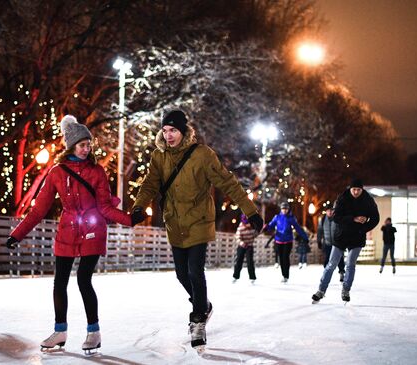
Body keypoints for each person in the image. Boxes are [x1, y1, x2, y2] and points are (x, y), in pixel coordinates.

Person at [6, 115, 140, 355]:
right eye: (82, 145)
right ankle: (60, 331)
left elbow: (106, 208)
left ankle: (93, 331)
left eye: (89, 144)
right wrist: (17, 235)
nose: (87, 149)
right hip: (67, 230)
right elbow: (39, 209)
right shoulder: (57, 172)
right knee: (60, 281)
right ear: (71, 146)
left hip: (93, 230)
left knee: (83, 279)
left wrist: (130, 220)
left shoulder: (97, 171)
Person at [131, 109, 263, 349]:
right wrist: (139, 206)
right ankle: (204, 306)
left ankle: (198, 320)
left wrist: (250, 210)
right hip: (175, 222)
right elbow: (150, 183)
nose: (169, 135)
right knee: (181, 274)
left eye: (174, 130)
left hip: (199, 221)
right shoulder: (159, 157)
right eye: (165, 130)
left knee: (194, 271)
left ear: (184, 131)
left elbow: (227, 181)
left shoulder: (202, 155)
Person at [312, 179, 379, 303]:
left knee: (350, 264)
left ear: (362, 189)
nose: (356, 192)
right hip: (341, 236)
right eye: (354, 189)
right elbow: (336, 217)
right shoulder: (342, 198)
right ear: (350, 189)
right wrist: (353, 219)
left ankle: (346, 290)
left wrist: (364, 228)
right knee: (331, 264)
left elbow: (376, 218)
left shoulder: (368, 200)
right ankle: (321, 290)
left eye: (359, 189)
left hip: (357, 236)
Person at [265, 202, 308, 282]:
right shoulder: (277, 217)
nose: (284, 210)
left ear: (288, 209)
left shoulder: (291, 218)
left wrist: (304, 236)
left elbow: (298, 228)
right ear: (281, 209)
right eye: (283, 209)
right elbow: (271, 225)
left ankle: (286, 275)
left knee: (285, 257)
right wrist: (266, 227)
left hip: (288, 241)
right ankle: (283, 275)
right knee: (281, 259)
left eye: (286, 209)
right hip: (279, 240)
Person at [317, 205, 345, 282]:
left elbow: (342, 230)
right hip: (327, 243)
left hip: (337, 243)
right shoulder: (322, 220)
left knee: (339, 259)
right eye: (328, 211)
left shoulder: (337, 219)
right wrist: (319, 241)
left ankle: (342, 272)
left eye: (331, 210)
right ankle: (325, 275)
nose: (330, 212)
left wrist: (342, 240)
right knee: (327, 259)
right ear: (326, 212)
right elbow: (319, 231)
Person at [233, 214, 258, 284]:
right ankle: (235, 276)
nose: (247, 224)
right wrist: (242, 243)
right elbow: (238, 237)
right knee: (239, 261)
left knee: (250, 262)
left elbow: (255, 234)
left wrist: (257, 231)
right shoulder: (240, 227)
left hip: (249, 246)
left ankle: (252, 277)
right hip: (242, 246)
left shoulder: (252, 226)